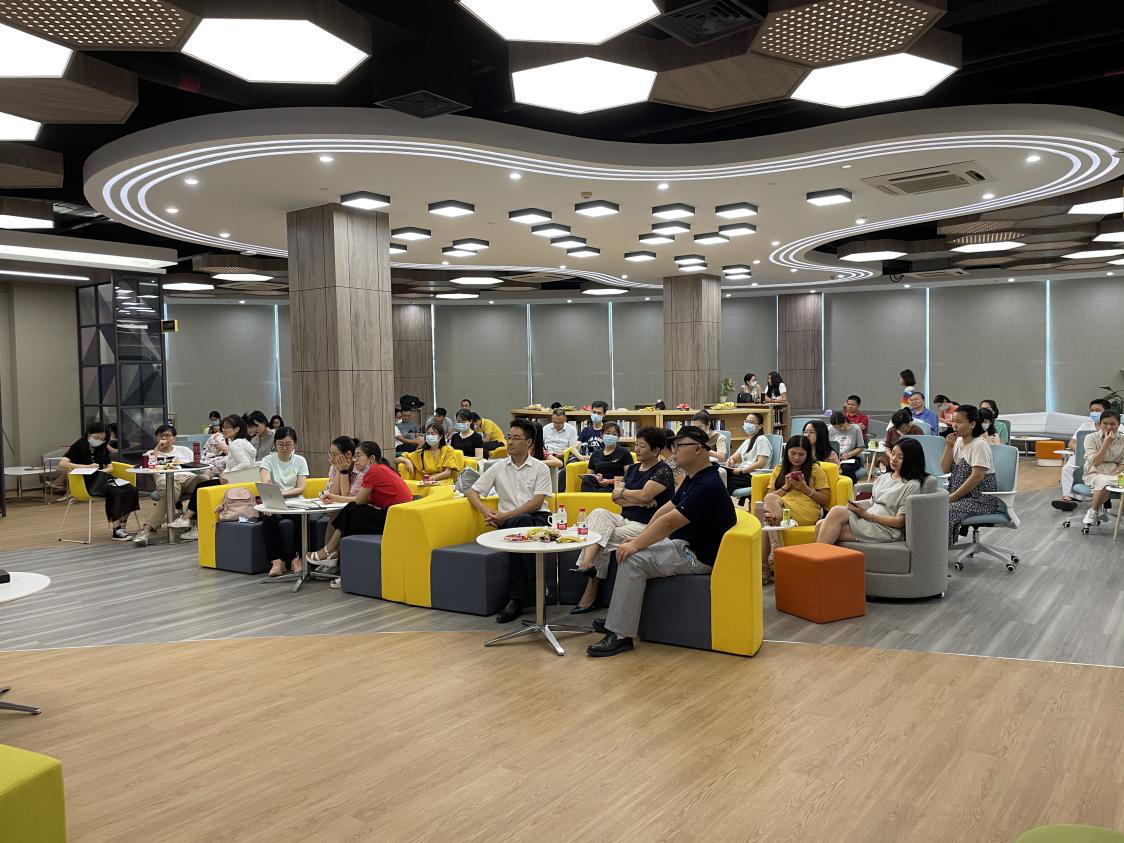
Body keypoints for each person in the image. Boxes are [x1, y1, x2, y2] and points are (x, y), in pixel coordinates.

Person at [586, 426, 736, 657]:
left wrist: (637, 544)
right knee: (629, 550)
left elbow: (670, 522)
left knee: (632, 559)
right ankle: (618, 619)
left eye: (679, 446)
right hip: (684, 546)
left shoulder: (708, 484)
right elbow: (667, 509)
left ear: (698, 449)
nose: (673, 452)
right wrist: (641, 538)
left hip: (697, 557)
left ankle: (620, 634)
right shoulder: (696, 477)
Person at [571, 428, 674, 614]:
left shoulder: (662, 470)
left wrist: (627, 494)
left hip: (646, 526)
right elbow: (615, 497)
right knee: (598, 513)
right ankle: (587, 562)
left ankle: (591, 590)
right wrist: (638, 499)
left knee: (602, 537)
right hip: (624, 518)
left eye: (642, 446)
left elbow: (642, 495)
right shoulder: (633, 469)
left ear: (656, 450)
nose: (637, 449)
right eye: (637, 444)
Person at [467, 419, 554, 623]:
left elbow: (536, 503)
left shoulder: (540, 468)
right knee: (520, 526)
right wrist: (487, 512)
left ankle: (516, 600)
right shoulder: (498, 467)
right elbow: (472, 491)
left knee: (521, 525)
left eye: (516, 438)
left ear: (529, 442)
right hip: (510, 522)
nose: (510, 442)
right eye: (509, 437)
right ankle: (539, 584)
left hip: (538, 519)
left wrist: (504, 516)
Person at [815, 437, 928, 546]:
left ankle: (816, 558)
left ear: (911, 460)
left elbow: (900, 522)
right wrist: (856, 506)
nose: (893, 459)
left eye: (900, 457)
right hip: (868, 520)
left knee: (824, 524)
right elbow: (873, 502)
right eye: (893, 454)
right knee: (830, 516)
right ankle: (821, 558)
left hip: (886, 528)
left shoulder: (912, 485)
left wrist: (868, 516)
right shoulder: (885, 477)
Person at [170, 414, 257, 539]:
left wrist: (227, 474)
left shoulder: (235, 444)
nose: (223, 430)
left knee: (201, 489)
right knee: (203, 486)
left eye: (227, 427)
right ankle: (189, 522)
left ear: (237, 429)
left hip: (233, 482)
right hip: (243, 481)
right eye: (223, 427)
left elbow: (246, 463)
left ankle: (190, 523)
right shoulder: (245, 442)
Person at [759, 435, 830, 582]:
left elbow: (825, 499)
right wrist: (786, 486)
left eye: (801, 454)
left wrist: (804, 488)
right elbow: (769, 496)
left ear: (808, 454)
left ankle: (771, 559)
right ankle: (769, 565)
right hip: (781, 507)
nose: (796, 458)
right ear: (787, 452)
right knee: (766, 520)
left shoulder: (815, 469)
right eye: (793, 453)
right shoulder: (779, 468)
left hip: (806, 509)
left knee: (767, 521)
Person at [59, 421, 141, 540]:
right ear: (89, 434)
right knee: (116, 492)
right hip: (85, 482)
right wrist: (86, 467)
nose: (99, 441)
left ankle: (122, 525)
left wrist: (101, 472)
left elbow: (110, 467)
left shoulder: (102, 448)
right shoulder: (79, 446)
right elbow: (62, 463)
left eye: (102, 439)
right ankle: (116, 530)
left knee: (131, 490)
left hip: (102, 478)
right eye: (96, 438)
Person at [304, 436, 374, 572]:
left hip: (362, 507)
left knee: (340, 513)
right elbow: (333, 493)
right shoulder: (334, 467)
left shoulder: (361, 470)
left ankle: (329, 554)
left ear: (348, 454)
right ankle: (329, 556)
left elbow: (347, 497)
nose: (331, 458)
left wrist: (343, 472)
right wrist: (338, 470)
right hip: (344, 506)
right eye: (330, 454)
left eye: (334, 454)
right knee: (335, 513)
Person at [131, 424, 207, 547]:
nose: (164, 438)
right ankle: (146, 530)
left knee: (204, 480)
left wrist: (207, 472)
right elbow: (145, 467)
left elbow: (201, 464)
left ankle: (196, 524)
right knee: (170, 493)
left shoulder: (184, 450)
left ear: (174, 438)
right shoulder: (151, 453)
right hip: (164, 480)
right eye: (161, 435)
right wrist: (157, 449)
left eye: (168, 435)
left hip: (187, 478)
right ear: (156, 438)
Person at [942, 405, 999, 548]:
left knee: (943, 510)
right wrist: (949, 447)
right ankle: (930, 548)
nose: (954, 426)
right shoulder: (958, 441)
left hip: (980, 500)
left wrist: (952, 497)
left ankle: (939, 551)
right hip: (961, 497)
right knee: (928, 504)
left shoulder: (979, 445)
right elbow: (944, 469)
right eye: (953, 422)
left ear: (972, 424)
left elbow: (977, 477)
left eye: (959, 422)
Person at [259, 426, 310, 578]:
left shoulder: (300, 460)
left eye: (288, 444)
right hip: (274, 501)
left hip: (296, 501)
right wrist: (273, 493)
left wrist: (281, 493)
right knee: (268, 517)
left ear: (294, 444)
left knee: (302, 518)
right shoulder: (268, 460)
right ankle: (277, 561)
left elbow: (300, 488)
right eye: (281, 444)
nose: (285, 448)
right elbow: (265, 483)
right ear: (275, 444)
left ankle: (296, 558)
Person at [1053, 399, 1112, 511]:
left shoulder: (1116, 426)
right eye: (1092, 410)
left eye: (1097, 410)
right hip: (1083, 455)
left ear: (1107, 411)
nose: (1094, 413)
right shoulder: (1085, 426)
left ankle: (1101, 497)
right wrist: (1082, 452)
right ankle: (1067, 498)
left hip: (1105, 458)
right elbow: (1072, 443)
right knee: (1068, 468)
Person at [1080, 409, 1124, 528]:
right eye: (1105, 423)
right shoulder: (1090, 438)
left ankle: (1121, 516)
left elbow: (1123, 463)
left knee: (1115, 481)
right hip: (1094, 472)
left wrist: (1114, 472)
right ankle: (1093, 511)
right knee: (1103, 481)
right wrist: (1106, 443)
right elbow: (1096, 461)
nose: (1109, 427)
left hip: (1115, 473)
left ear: (1119, 425)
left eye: (1113, 424)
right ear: (1100, 424)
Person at [397, 423, 464, 485]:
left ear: (440, 436)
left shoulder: (448, 450)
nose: (430, 436)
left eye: (432, 434)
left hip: (443, 482)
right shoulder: (422, 452)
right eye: (428, 434)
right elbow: (396, 460)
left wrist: (431, 479)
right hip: (426, 483)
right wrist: (406, 461)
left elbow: (448, 473)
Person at [725, 412, 773, 495]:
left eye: (751, 422)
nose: (747, 424)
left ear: (760, 426)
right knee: (718, 477)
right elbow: (733, 458)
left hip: (753, 476)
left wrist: (741, 471)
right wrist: (730, 462)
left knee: (722, 482)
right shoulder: (747, 441)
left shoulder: (761, 439)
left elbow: (761, 463)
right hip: (744, 474)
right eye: (746, 421)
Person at [580, 422, 631, 492]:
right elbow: (589, 475)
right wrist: (596, 478)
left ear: (618, 437)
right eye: (608, 433)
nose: (611, 436)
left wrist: (610, 481)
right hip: (597, 485)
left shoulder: (624, 452)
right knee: (586, 479)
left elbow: (630, 476)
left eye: (614, 434)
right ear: (601, 435)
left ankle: (592, 496)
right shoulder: (595, 454)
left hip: (615, 487)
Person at [828, 411, 865, 480]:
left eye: (841, 426)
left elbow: (861, 447)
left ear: (845, 421)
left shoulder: (856, 429)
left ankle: (849, 485)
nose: (839, 429)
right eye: (836, 428)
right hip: (834, 458)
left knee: (845, 468)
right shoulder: (830, 429)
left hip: (851, 458)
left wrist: (849, 455)